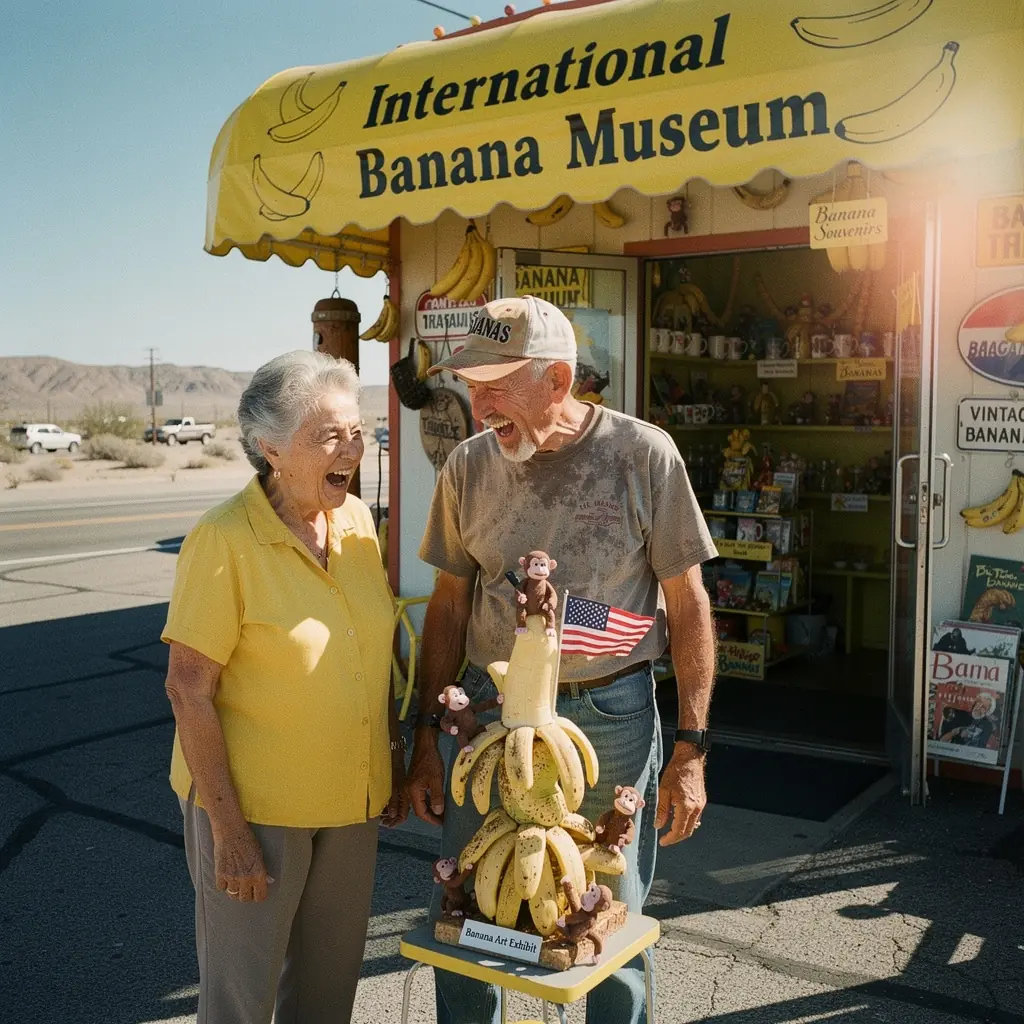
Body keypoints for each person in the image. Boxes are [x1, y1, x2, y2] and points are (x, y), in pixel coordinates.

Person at [405, 296, 717, 1024]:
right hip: (485, 711)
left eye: (496, 385)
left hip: (609, 711)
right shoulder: (466, 467)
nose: (479, 404)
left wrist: (693, 749)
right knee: (470, 905)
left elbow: (690, 605)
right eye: (470, 385)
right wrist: (422, 735)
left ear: (556, 379)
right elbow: (449, 606)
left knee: (605, 913)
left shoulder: (643, 453)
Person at [162, 350, 407, 1024]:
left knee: (328, 993)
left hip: (351, 804)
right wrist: (230, 832)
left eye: (356, 431)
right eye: (328, 435)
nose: (351, 448)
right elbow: (188, 690)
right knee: (242, 999)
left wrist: (387, 751)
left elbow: (369, 650)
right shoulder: (224, 539)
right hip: (256, 811)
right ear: (272, 448)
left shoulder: (357, 523)